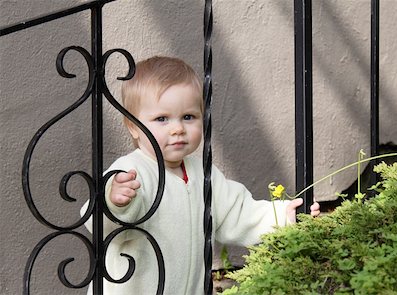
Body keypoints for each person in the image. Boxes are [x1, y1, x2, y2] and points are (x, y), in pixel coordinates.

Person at [82, 56, 320, 294]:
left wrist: (283, 216)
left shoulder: (202, 173)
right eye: (162, 119)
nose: (178, 129)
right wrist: (115, 203)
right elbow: (99, 223)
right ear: (133, 126)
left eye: (188, 117)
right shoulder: (130, 173)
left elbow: (237, 213)